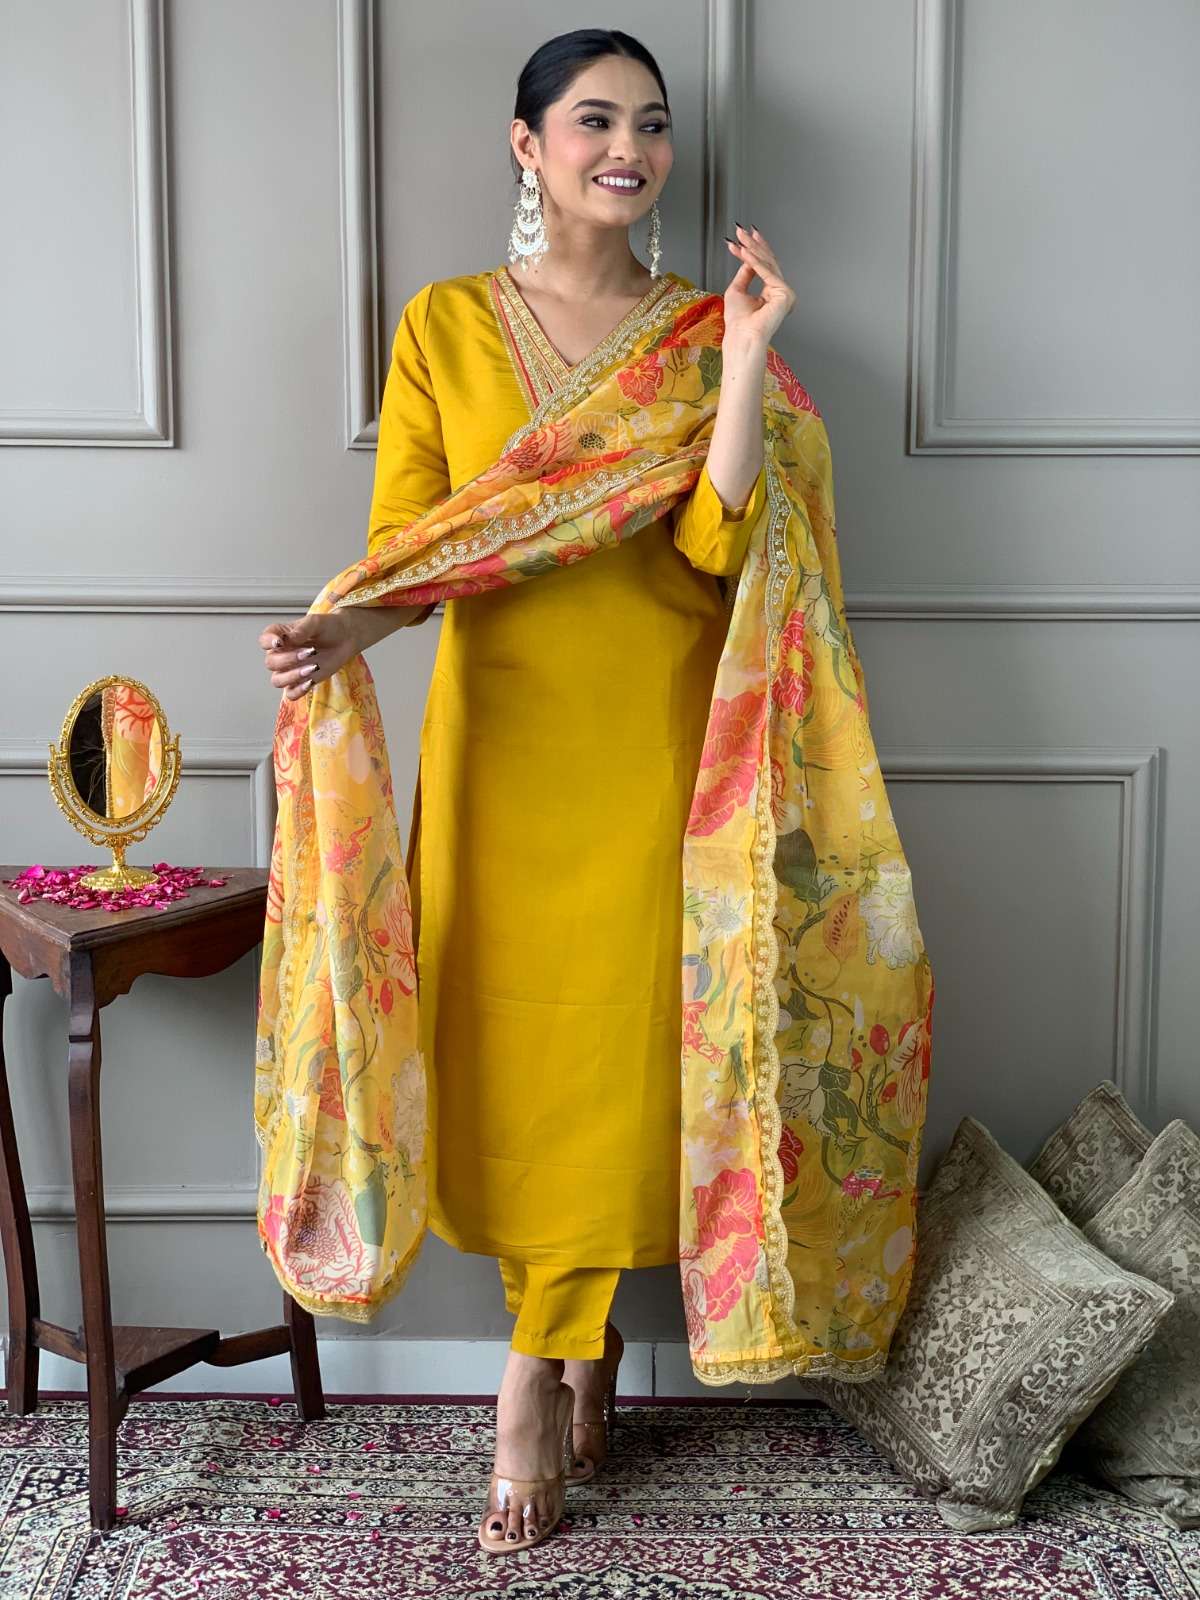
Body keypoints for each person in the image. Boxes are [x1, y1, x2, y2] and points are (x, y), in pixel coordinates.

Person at [256, 25, 932, 1561]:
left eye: (652, 124)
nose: (628, 148)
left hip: (660, 745)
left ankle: (530, 1379)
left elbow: (715, 545)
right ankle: (580, 1346)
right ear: (529, 144)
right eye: (594, 120)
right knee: (515, 1058)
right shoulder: (443, 325)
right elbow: (417, 549)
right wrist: (338, 634)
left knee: (628, 1057)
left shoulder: (697, 331)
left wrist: (747, 360)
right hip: (499, 744)